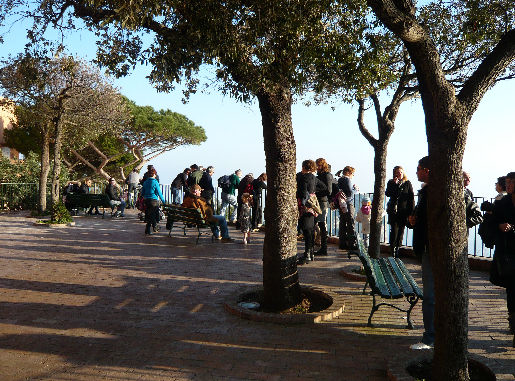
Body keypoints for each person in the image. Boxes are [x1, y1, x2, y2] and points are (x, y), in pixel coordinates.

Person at [407, 156, 434, 350]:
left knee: (430, 295)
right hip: (426, 246)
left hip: (430, 248)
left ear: (427, 170)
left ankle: (430, 337)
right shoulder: (425, 192)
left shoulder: (431, 192)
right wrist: (413, 221)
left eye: (418, 168)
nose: (416, 172)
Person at [489, 171, 515, 342]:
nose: (508, 185)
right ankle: (512, 320)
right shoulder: (503, 202)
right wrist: (499, 226)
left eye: (511, 182)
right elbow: (491, 222)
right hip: (507, 252)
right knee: (512, 289)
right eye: (506, 182)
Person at [297, 160, 325, 264]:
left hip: (305, 206)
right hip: (313, 207)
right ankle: (311, 253)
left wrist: (305, 198)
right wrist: (313, 193)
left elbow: (303, 192)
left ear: (304, 167)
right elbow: (324, 187)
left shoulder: (304, 177)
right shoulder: (314, 178)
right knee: (311, 229)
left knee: (306, 230)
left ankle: (307, 254)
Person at [385, 166, 415, 257]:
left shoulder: (407, 183)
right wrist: (395, 185)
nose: (399, 174)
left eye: (401, 172)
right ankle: (392, 250)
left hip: (403, 211)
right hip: (394, 211)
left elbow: (411, 198)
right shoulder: (391, 182)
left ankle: (397, 249)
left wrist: (411, 212)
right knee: (394, 230)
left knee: (401, 231)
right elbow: (388, 193)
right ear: (394, 173)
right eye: (397, 172)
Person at [314, 158, 333, 255]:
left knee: (321, 224)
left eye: (318, 165)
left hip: (322, 202)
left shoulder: (327, 175)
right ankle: (321, 246)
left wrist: (316, 193)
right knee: (318, 224)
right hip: (319, 201)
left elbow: (328, 191)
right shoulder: (320, 175)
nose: (317, 167)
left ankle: (324, 248)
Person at [337, 166, 359, 250]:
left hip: (341, 204)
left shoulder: (340, 179)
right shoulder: (347, 179)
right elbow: (349, 192)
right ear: (349, 173)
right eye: (352, 174)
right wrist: (355, 189)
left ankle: (342, 243)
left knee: (342, 223)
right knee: (350, 223)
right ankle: (352, 244)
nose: (353, 176)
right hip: (348, 203)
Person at [141, 168, 165, 235]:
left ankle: (153, 227)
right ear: (154, 174)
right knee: (152, 215)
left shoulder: (145, 182)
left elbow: (142, 193)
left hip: (146, 200)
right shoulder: (155, 182)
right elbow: (159, 193)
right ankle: (149, 228)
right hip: (154, 200)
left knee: (150, 215)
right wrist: (163, 201)